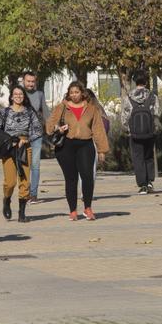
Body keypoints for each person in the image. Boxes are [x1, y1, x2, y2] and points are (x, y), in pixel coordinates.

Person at [47, 81, 110, 221]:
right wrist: (58, 127)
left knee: (88, 177)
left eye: (76, 92)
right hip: (66, 146)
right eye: (71, 93)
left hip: (85, 145)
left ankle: (88, 208)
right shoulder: (61, 107)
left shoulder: (92, 109)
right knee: (71, 179)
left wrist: (102, 150)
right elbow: (49, 126)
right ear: (68, 94)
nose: (74, 95)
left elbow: (98, 130)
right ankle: (73, 211)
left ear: (82, 93)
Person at [0, 85, 42, 223]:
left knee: (25, 181)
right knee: (10, 182)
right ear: (11, 96)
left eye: (21, 94)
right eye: (16, 94)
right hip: (9, 149)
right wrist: (9, 140)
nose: (18, 96)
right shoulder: (3, 113)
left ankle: (22, 213)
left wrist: (27, 139)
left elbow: (38, 130)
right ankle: (6, 200)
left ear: (24, 96)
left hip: (24, 149)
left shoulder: (29, 112)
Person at [121, 70, 158, 194]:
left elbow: (125, 117)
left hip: (135, 134)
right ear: (146, 81)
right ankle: (149, 182)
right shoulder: (152, 96)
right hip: (149, 132)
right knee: (148, 157)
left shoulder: (128, 97)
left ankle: (142, 185)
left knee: (138, 158)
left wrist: (128, 129)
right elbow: (156, 114)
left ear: (135, 81)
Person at [21, 71, 47, 204]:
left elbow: (46, 113)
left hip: (36, 134)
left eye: (33, 81)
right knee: (23, 163)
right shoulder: (18, 93)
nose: (30, 84)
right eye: (28, 81)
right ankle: (23, 192)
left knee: (35, 165)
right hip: (21, 135)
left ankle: (33, 194)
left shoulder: (40, 94)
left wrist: (53, 127)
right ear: (23, 81)